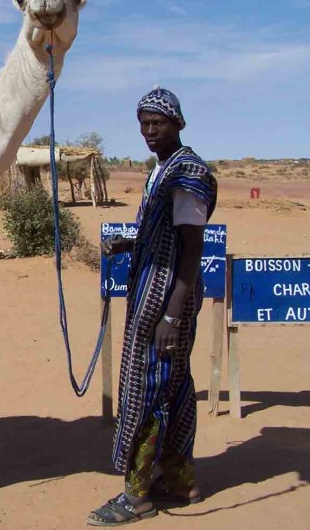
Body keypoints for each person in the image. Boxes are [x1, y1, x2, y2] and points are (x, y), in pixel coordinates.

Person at [88, 87, 217, 526]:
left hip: (166, 298)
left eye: (157, 123)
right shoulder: (162, 169)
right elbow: (164, 234)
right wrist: (128, 244)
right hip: (151, 291)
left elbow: (191, 249)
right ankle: (180, 481)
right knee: (172, 383)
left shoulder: (187, 174)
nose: (149, 131)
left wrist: (171, 315)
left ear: (178, 123)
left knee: (145, 387)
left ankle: (137, 495)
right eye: (143, 123)